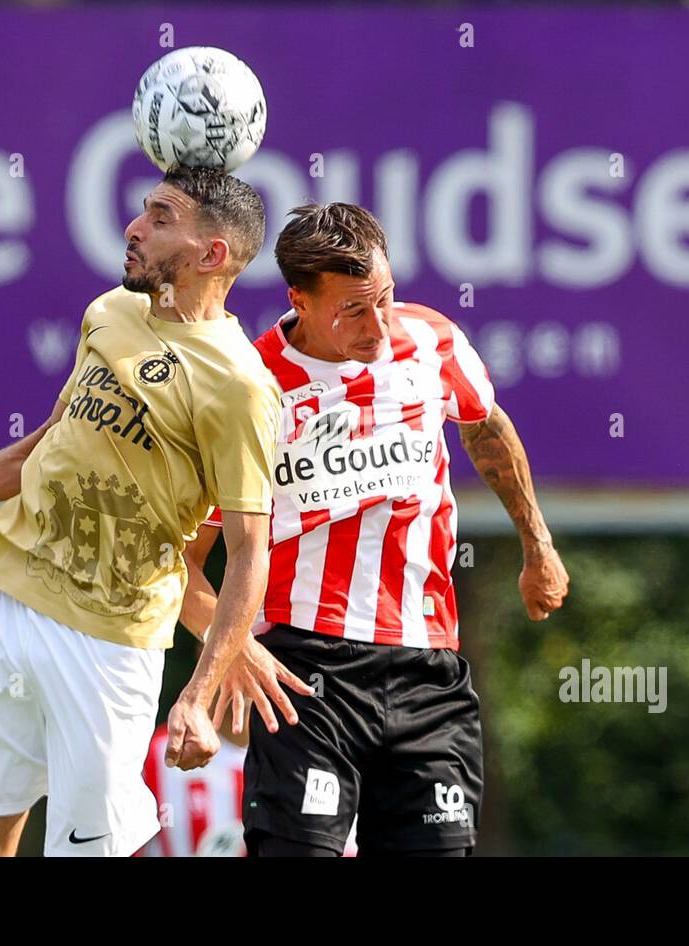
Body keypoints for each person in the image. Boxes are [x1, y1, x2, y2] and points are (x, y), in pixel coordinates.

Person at [0, 166, 282, 857]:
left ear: (212, 255)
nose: (134, 228)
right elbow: (47, 444)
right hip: (5, 600)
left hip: (107, 640)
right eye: (144, 211)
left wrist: (197, 695)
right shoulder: (110, 312)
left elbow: (247, 552)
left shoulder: (239, 386)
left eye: (161, 217)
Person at [183, 202, 569, 857]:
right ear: (299, 301)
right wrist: (233, 648)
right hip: (307, 673)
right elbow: (180, 561)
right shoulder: (250, 389)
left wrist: (538, 545)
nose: (379, 327)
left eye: (385, 299)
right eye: (354, 311)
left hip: (428, 668)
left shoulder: (430, 341)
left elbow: (485, 423)